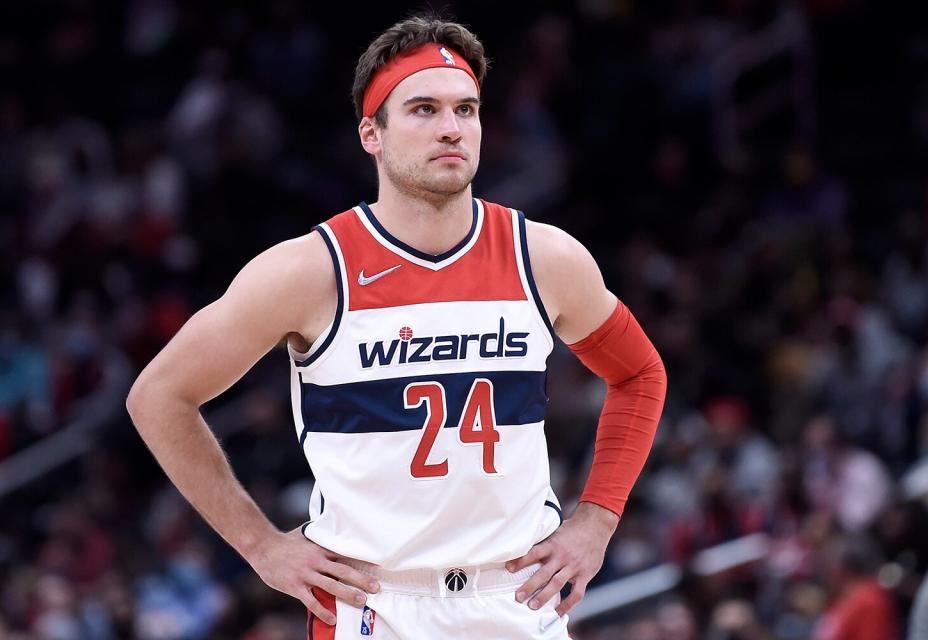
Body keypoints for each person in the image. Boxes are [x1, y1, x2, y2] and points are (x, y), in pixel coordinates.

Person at [126, 15, 667, 639]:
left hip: (516, 597)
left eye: (466, 109)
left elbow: (640, 372)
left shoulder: (543, 258)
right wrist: (260, 546)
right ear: (370, 133)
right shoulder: (309, 270)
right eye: (423, 109)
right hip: (375, 604)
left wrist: (597, 521)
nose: (450, 128)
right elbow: (159, 396)